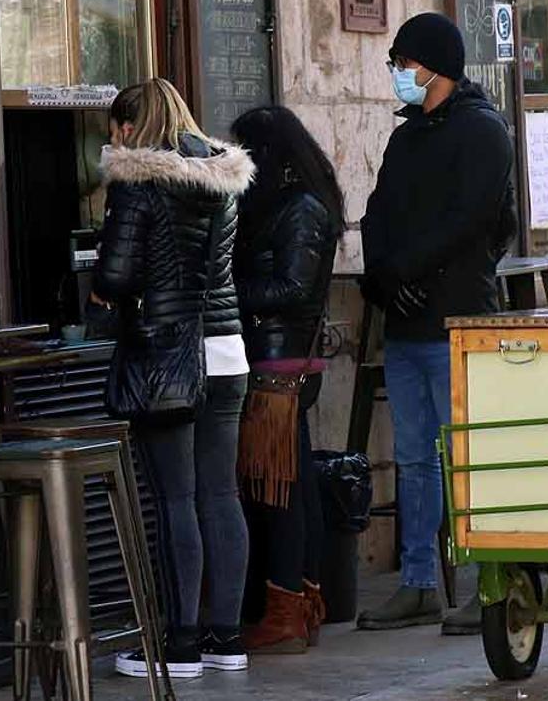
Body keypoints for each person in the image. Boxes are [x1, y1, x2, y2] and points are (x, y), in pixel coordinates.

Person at [358, 13, 517, 634]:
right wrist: (381, 277)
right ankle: (419, 581)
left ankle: (491, 583)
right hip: (404, 322)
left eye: (403, 61)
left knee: (468, 457)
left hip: (457, 319)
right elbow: (377, 212)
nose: (399, 73)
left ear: (434, 66)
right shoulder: (408, 136)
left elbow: (476, 220)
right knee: (415, 458)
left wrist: (411, 270)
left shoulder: (482, 131)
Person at [93, 78, 256, 678]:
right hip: (226, 347)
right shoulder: (221, 177)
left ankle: (180, 643)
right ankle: (228, 637)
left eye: (115, 133)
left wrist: (98, 293)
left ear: (129, 129)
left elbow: (114, 275)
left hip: (167, 353)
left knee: (176, 499)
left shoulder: (138, 183)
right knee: (221, 495)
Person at [230, 107, 345, 654]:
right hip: (277, 363)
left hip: (278, 368)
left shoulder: (300, 208)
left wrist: (228, 294)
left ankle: (286, 609)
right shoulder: (297, 202)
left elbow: (293, 289)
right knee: (289, 485)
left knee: (278, 489)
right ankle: (298, 602)